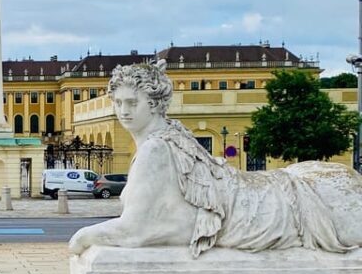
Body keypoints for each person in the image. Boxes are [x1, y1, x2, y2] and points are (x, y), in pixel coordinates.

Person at [69, 60, 362, 257]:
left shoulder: (156, 149)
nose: (123, 111)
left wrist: (81, 238)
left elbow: (135, 231)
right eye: (118, 102)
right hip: (264, 190)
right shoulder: (173, 134)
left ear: (156, 104)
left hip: (257, 212)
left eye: (132, 102)